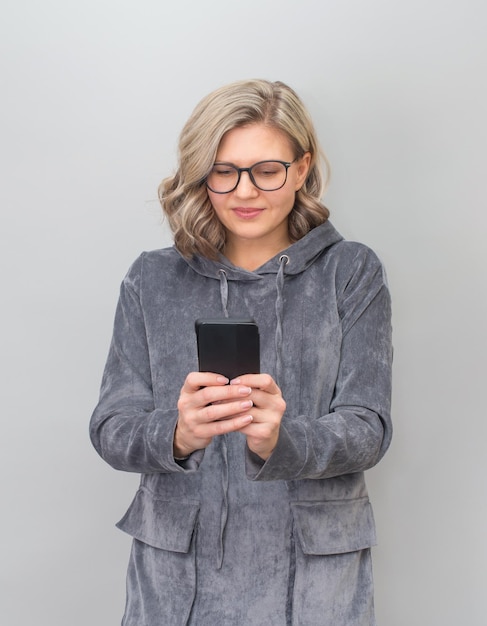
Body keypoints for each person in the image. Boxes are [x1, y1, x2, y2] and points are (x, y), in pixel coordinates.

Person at [90, 79, 393, 626]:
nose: (245, 192)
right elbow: (111, 427)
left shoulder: (351, 272)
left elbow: (369, 428)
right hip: (178, 577)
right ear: (201, 173)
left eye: (267, 170)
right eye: (224, 171)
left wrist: (285, 437)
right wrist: (178, 433)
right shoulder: (152, 278)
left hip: (314, 579)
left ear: (302, 169)